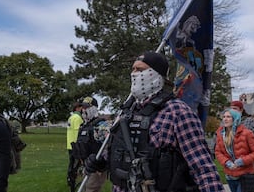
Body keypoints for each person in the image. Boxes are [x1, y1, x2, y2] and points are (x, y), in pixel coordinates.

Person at [85, 51, 224, 192]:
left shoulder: (177, 111)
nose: (134, 74)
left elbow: (201, 165)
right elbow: (118, 152)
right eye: (133, 69)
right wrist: (101, 162)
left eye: (140, 70)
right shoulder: (125, 112)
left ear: (156, 74)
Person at [215, 108, 254, 192]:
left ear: (235, 118)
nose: (225, 119)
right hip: (229, 175)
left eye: (228, 117)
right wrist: (226, 162)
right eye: (224, 117)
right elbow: (218, 152)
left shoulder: (247, 133)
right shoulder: (220, 134)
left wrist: (242, 161)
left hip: (245, 175)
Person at [72, 96, 110, 192]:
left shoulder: (101, 125)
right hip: (85, 165)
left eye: (87, 107)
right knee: (85, 188)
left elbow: (109, 145)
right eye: (83, 108)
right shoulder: (84, 125)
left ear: (94, 108)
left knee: (91, 189)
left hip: (96, 167)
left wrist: (101, 162)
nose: (84, 110)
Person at [230, 101, 254, 185]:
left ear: (241, 110)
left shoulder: (249, 122)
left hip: (250, 157)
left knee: (248, 184)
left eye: (235, 109)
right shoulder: (231, 124)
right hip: (237, 160)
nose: (232, 111)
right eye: (231, 109)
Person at [67, 102, 85, 190]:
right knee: (76, 166)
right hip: (75, 145)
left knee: (71, 165)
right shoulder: (78, 118)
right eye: (81, 108)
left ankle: (70, 180)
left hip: (69, 144)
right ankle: (73, 183)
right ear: (77, 108)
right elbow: (79, 132)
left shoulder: (71, 117)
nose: (83, 110)